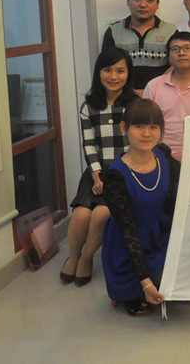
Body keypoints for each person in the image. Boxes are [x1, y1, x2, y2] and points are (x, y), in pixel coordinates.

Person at [61, 47, 137, 287]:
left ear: (128, 73)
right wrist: (96, 176)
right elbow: (89, 144)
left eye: (120, 71)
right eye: (107, 70)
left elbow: (137, 145)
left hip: (124, 172)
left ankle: (86, 257)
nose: (113, 76)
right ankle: (73, 256)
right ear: (98, 72)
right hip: (96, 170)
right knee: (81, 214)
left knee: (101, 213)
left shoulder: (135, 105)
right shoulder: (89, 106)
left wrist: (113, 178)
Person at [101, 99, 181, 316]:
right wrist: (145, 283)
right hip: (129, 249)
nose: (147, 133)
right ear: (124, 127)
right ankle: (130, 290)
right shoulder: (115, 177)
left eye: (154, 127)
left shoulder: (162, 154)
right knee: (165, 290)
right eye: (139, 126)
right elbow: (127, 232)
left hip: (161, 238)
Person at [142, 31, 190, 161]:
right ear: (168, 56)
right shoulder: (153, 87)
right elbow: (144, 126)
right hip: (159, 157)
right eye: (175, 49)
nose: (181, 53)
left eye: (187, 48)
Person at [102, 0, 177, 93]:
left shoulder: (170, 31)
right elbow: (107, 68)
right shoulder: (114, 31)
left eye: (150, 0)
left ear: (158, 3)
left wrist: (151, 91)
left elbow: (177, 66)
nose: (143, 4)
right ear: (128, 0)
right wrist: (129, 93)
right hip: (123, 97)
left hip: (160, 97)